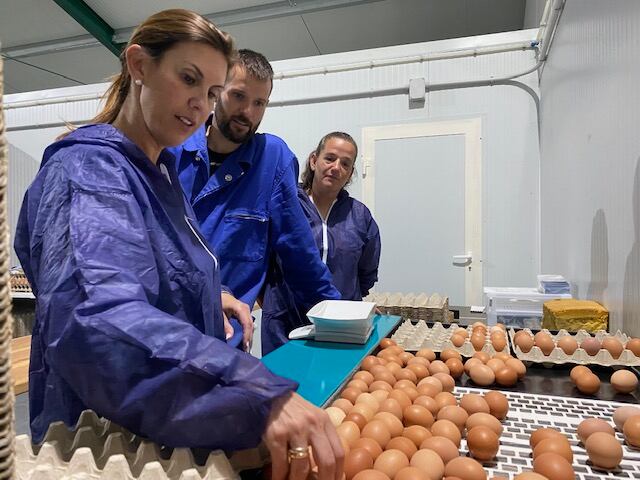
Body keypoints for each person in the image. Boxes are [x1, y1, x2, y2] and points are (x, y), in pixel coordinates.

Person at [14, 10, 343, 480]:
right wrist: (249, 388)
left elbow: (151, 271)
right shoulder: (90, 172)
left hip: (169, 425)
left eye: (210, 93)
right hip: (105, 435)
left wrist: (214, 294)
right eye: (188, 79)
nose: (200, 106)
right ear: (139, 66)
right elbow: (97, 315)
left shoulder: (160, 177)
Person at [169, 50, 340, 331]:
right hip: (163, 330)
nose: (248, 112)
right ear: (216, 92)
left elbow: (299, 252)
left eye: (259, 103)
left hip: (226, 340)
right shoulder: (172, 151)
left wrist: (340, 316)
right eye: (238, 96)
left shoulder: (272, 160)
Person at [261, 132, 381, 354]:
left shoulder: (360, 216)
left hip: (341, 329)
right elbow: (261, 261)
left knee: (338, 385)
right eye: (330, 158)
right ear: (314, 160)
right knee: (285, 384)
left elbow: (366, 273)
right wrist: (274, 302)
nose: (336, 167)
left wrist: (346, 302)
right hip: (285, 325)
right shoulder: (287, 206)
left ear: (351, 173)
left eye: (345, 164)